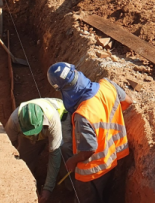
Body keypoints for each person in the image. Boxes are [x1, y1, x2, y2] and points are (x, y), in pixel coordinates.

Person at [47, 62, 132, 203]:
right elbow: (127, 101)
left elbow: (89, 149)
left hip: (91, 172)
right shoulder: (107, 85)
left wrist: (72, 161)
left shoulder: (83, 115)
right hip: (113, 158)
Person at [5, 98, 72, 203]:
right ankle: (27, 184)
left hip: (61, 118)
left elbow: (55, 153)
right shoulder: (14, 120)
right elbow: (7, 146)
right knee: (24, 160)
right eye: (29, 133)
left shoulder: (52, 119)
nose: (32, 137)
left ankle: (69, 187)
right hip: (42, 126)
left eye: (34, 132)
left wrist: (47, 189)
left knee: (64, 150)